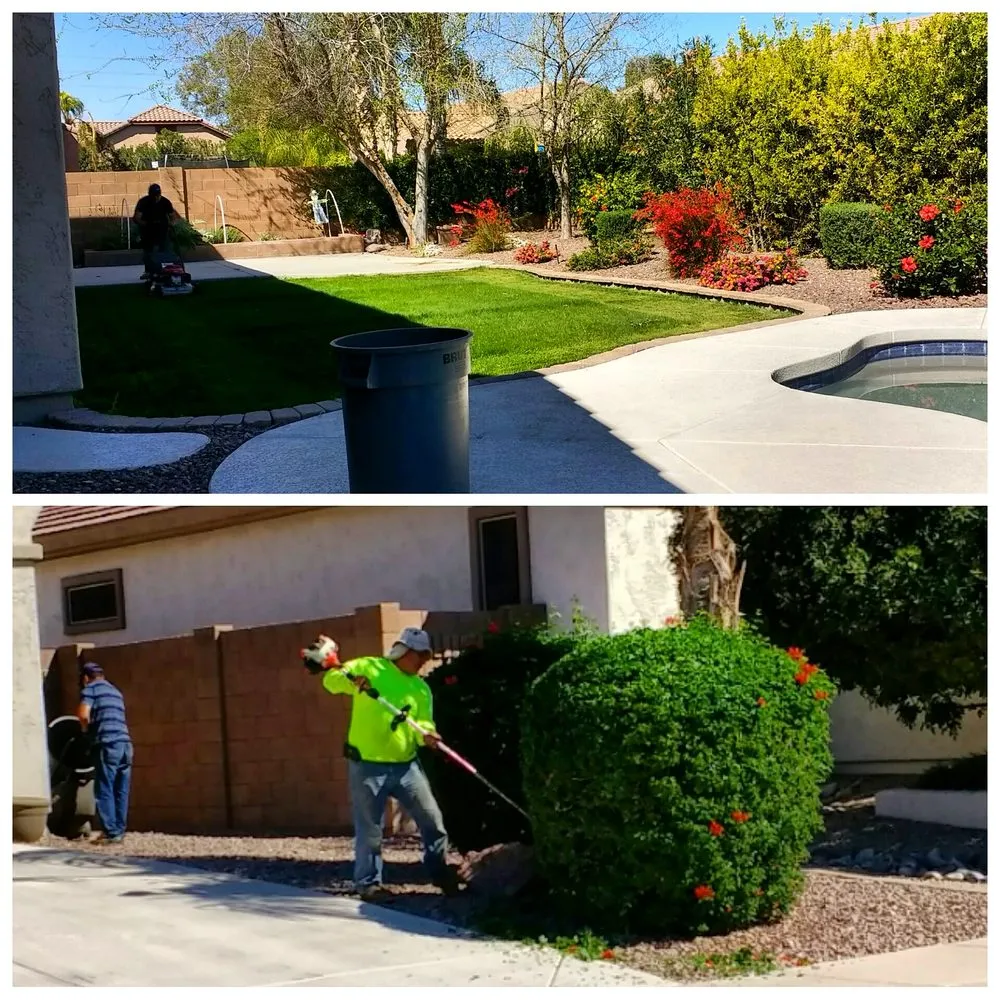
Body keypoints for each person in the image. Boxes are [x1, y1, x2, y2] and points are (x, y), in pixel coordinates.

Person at [315, 627, 460, 901]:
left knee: (433, 822)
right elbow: (331, 682)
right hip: (367, 766)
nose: (423, 662)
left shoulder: (420, 688)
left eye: (426, 656)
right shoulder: (369, 667)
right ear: (403, 651)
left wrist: (428, 735)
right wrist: (350, 681)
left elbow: (423, 725)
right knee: (370, 829)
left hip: (407, 766)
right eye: (419, 655)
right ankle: (369, 884)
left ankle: (441, 874)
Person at [77, 662, 133, 845]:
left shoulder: (90, 689)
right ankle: (119, 830)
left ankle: (111, 833)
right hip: (126, 745)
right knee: (121, 789)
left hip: (108, 744)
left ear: (86, 678)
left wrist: (85, 732)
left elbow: (83, 715)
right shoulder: (116, 692)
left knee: (104, 788)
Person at [133, 183, 178, 278]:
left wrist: (171, 224)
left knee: (165, 250)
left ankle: (165, 270)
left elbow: (173, 216)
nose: (156, 198)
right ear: (150, 195)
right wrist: (146, 224)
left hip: (162, 229)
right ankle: (149, 271)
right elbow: (137, 217)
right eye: (154, 196)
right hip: (148, 229)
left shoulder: (165, 202)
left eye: (158, 196)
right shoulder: (144, 202)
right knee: (149, 251)